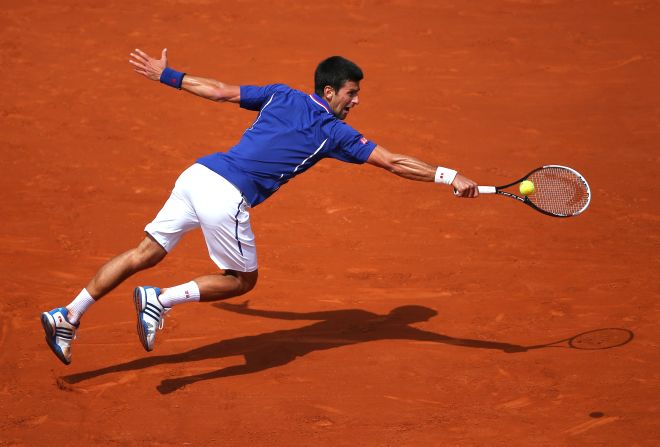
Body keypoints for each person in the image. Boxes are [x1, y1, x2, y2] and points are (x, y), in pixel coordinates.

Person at [40, 48, 479, 365]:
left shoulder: (280, 94)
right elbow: (394, 162)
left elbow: (217, 91)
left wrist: (167, 75)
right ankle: (162, 298)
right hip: (227, 195)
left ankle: (69, 314)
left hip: (197, 175)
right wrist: (448, 175)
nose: (356, 101)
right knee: (242, 280)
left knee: (145, 252)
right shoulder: (335, 132)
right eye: (351, 93)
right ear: (329, 92)